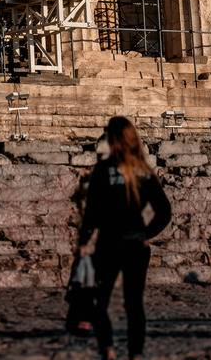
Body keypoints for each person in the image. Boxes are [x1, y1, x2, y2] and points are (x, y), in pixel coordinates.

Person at [67, 116, 172, 359]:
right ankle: (135, 354)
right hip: (136, 244)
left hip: (109, 244)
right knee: (134, 305)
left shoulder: (104, 169)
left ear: (113, 138)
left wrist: (83, 244)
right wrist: (147, 234)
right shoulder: (144, 172)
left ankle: (109, 351)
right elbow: (164, 211)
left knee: (99, 302)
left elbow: (92, 213)